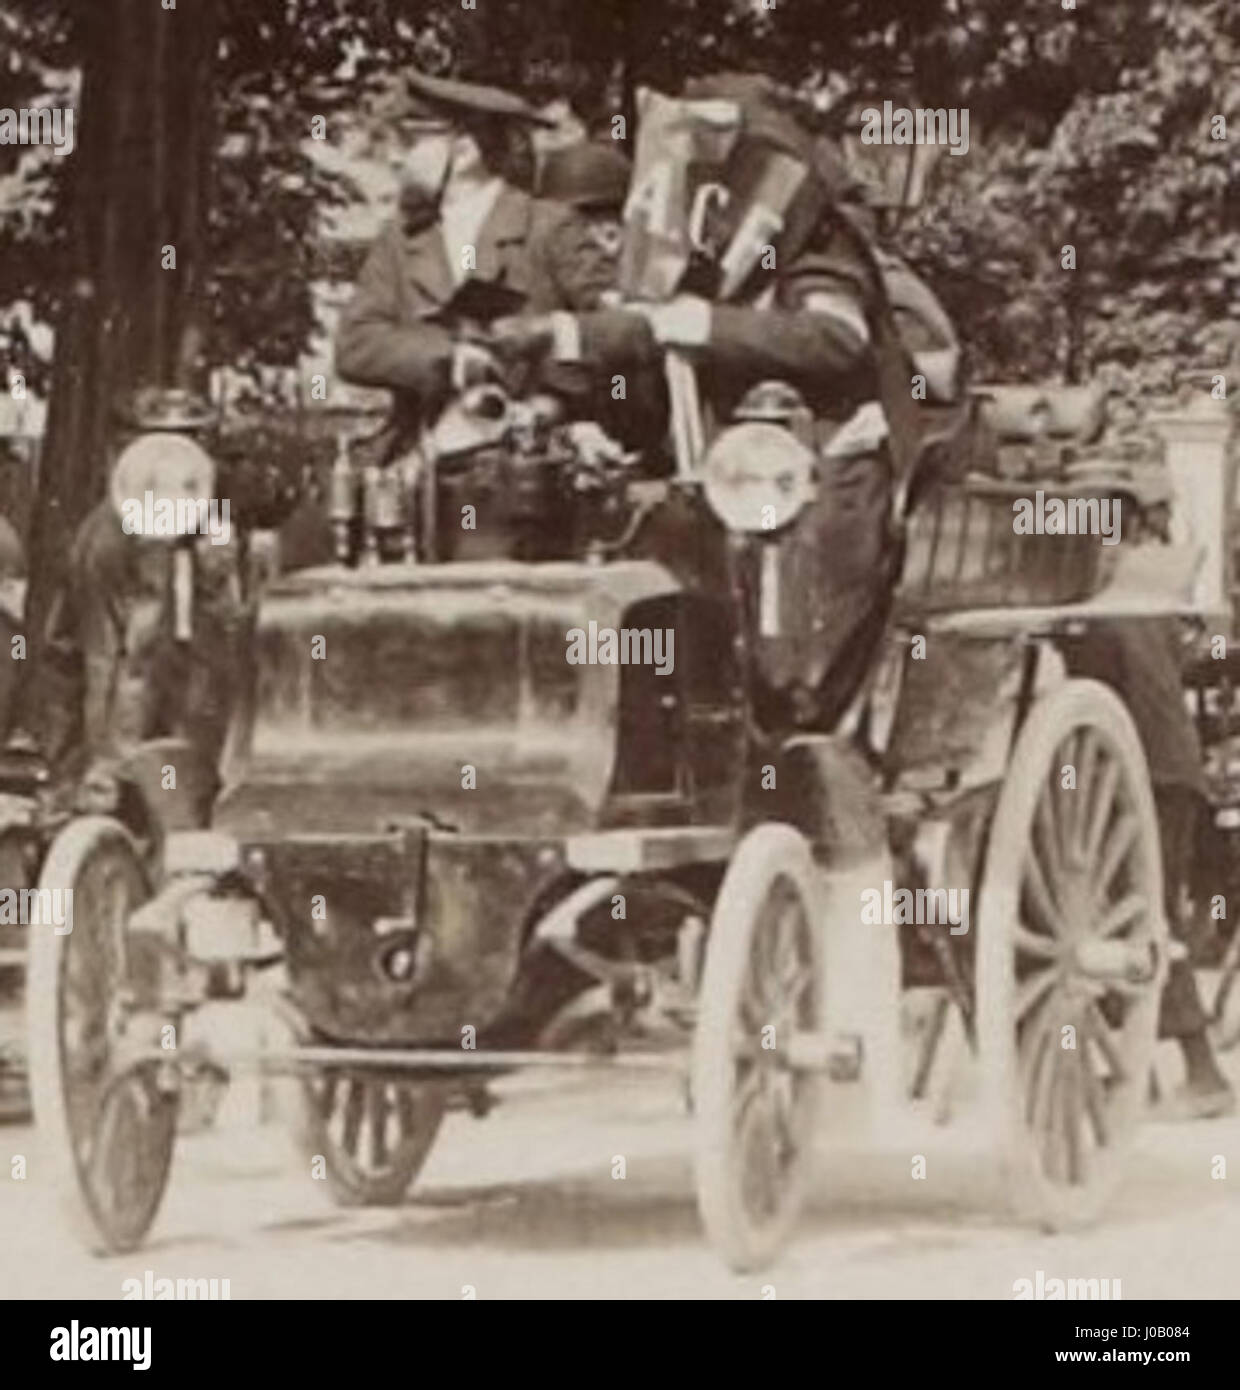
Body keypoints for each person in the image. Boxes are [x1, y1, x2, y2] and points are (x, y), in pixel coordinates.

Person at [335, 69, 620, 459]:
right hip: (422, 456)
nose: (397, 157)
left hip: (531, 462)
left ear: (465, 149)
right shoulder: (401, 239)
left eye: (411, 140)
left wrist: (549, 394)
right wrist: (450, 357)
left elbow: (617, 336)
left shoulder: (549, 228)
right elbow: (355, 345)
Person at [51, 386, 249, 831]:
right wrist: (111, 773)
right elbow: (135, 662)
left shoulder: (113, 526)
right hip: (133, 754)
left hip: (124, 738)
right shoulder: (148, 535)